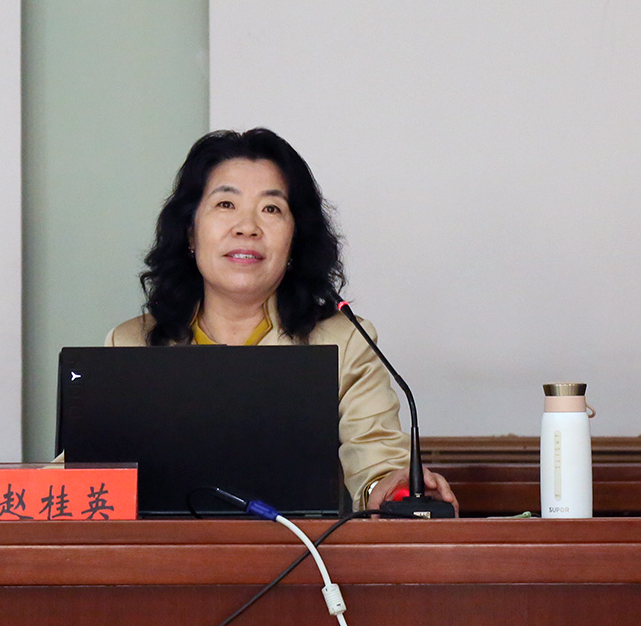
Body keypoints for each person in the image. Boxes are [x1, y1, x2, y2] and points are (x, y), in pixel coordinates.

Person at [106, 128, 457, 513]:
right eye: (226, 204)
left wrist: (390, 489)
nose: (247, 227)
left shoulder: (344, 342)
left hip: (300, 549)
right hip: (164, 551)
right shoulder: (131, 344)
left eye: (271, 209)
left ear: (294, 239)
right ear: (191, 232)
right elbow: (82, 476)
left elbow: (378, 461)